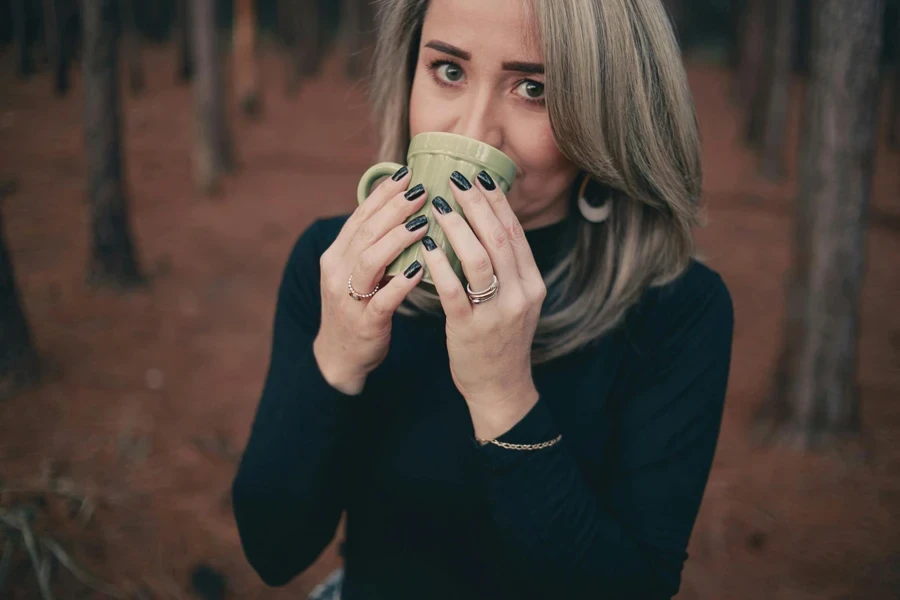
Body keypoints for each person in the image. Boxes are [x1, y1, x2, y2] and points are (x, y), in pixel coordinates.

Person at [231, 0, 734, 598]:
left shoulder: (677, 310)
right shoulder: (336, 266)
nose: (472, 132)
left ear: (608, 110)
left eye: (532, 88)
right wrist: (336, 359)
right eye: (448, 71)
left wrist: (502, 393)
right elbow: (272, 550)